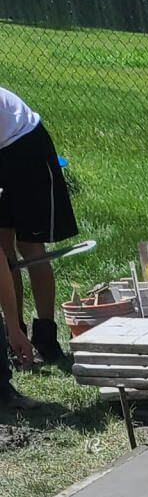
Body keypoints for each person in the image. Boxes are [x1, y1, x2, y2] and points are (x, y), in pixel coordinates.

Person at [0, 84, 78, 371]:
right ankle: (14, 335)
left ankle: (46, 338)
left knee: (31, 246)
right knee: (3, 246)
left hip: (25, 145)